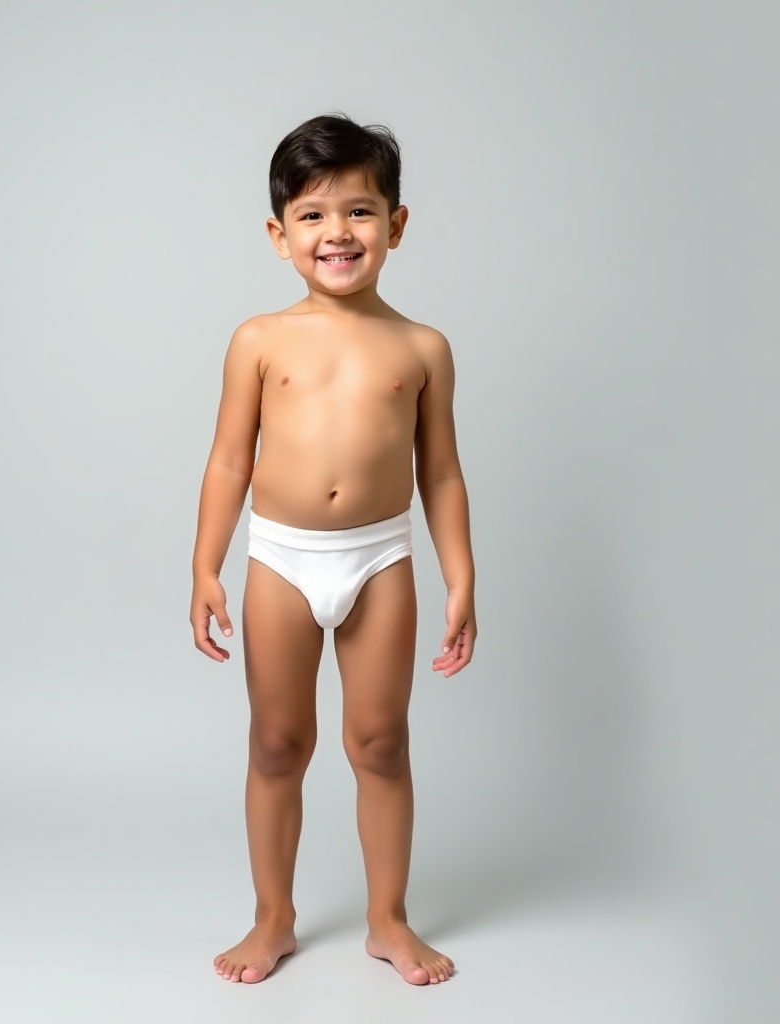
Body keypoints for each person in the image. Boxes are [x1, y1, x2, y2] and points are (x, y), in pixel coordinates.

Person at [190, 113, 476, 986]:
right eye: (313, 216)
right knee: (278, 742)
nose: (337, 233)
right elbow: (230, 457)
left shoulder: (422, 347)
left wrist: (461, 577)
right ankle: (272, 916)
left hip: (381, 559)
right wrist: (205, 564)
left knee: (381, 742)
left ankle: (387, 918)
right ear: (280, 236)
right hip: (280, 558)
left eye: (359, 212)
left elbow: (443, 474)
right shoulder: (259, 340)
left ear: (395, 225)